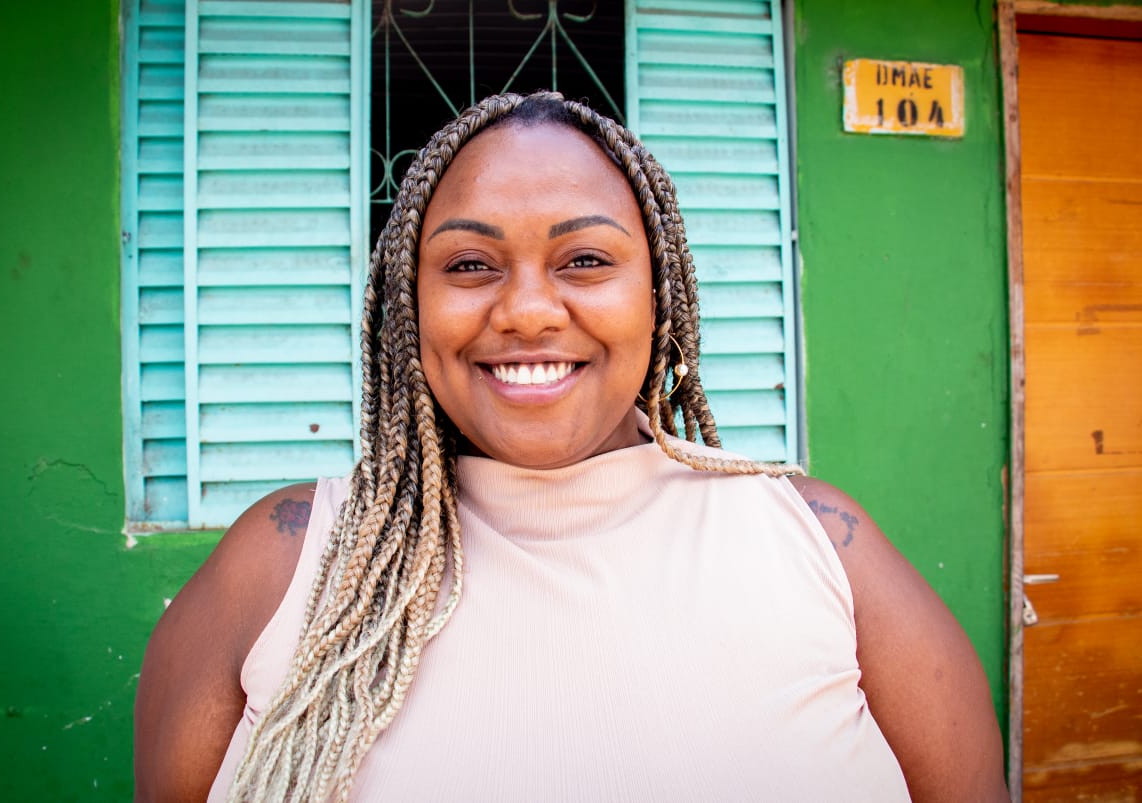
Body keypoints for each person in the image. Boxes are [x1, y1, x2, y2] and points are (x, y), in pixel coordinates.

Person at [134, 92, 1008, 803]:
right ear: (408, 305)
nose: (526, 311)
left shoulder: (821, 547)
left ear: (660, 292)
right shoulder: (282, 562)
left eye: (585, 260)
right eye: (469, 264)